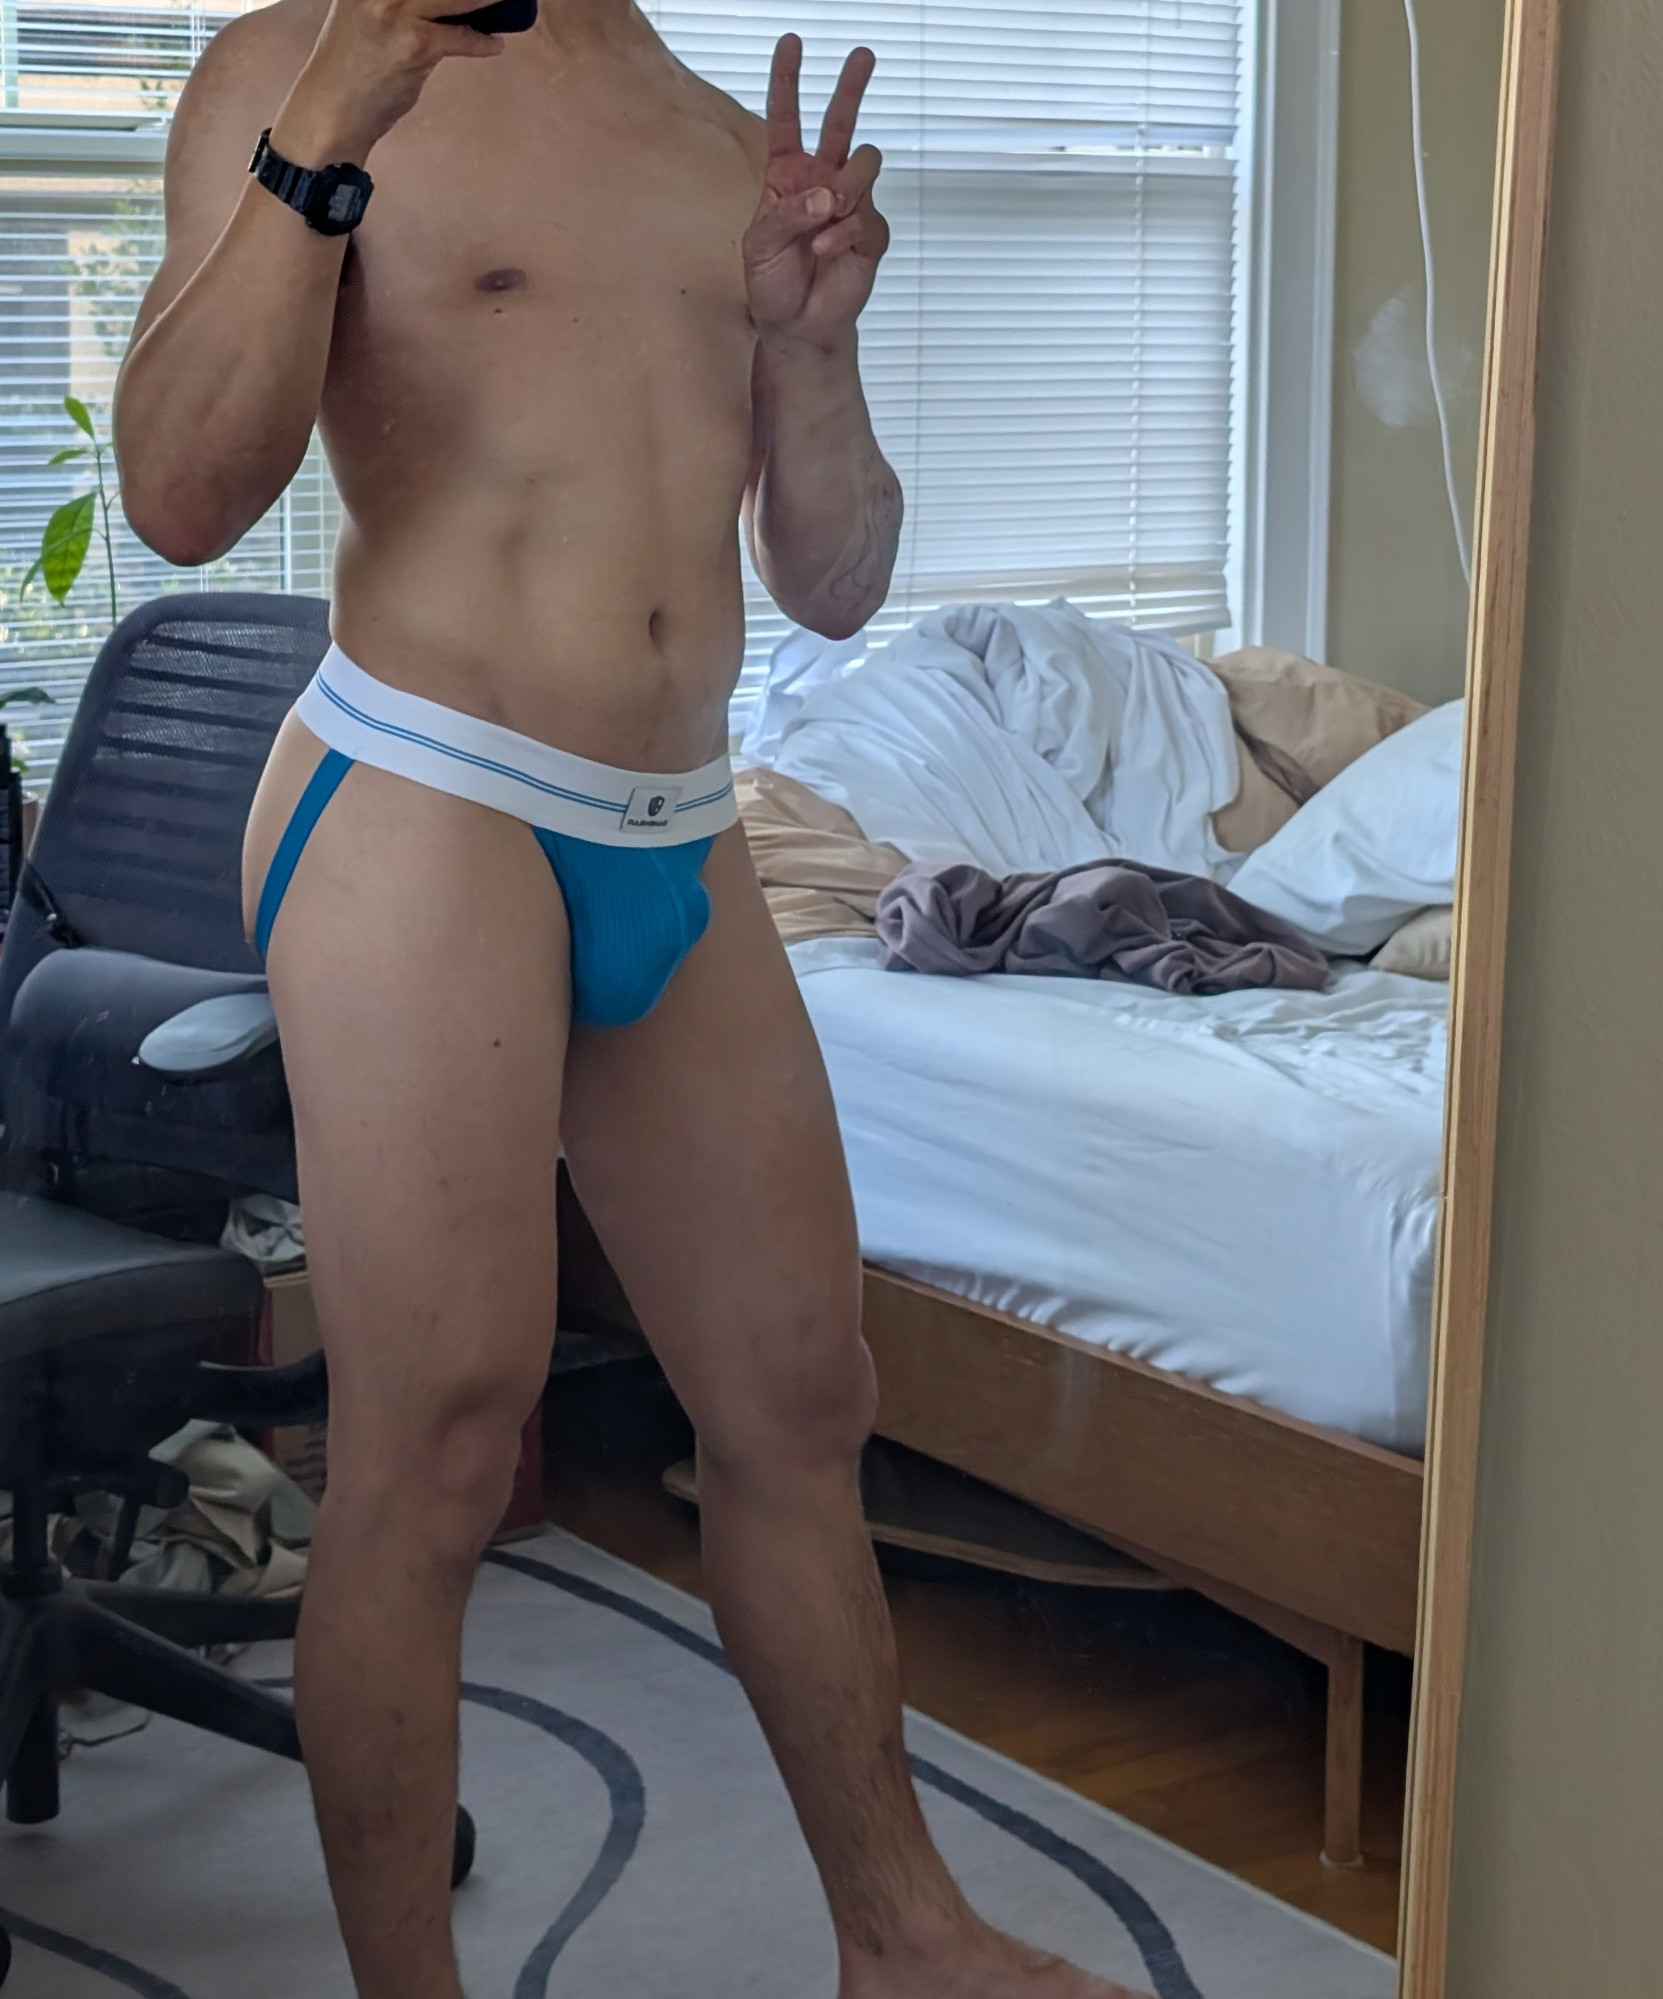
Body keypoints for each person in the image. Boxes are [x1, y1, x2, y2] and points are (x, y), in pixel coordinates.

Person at [115, 4, 1151, 1996]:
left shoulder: (708, 129)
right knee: (437, 1445)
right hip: (425, 787)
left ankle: (904, 1938)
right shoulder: (295, 64)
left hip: (675, 816)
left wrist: (813, 347)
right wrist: (331, 123)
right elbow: (176, 494)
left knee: (798, 1401)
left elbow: (834, 580)